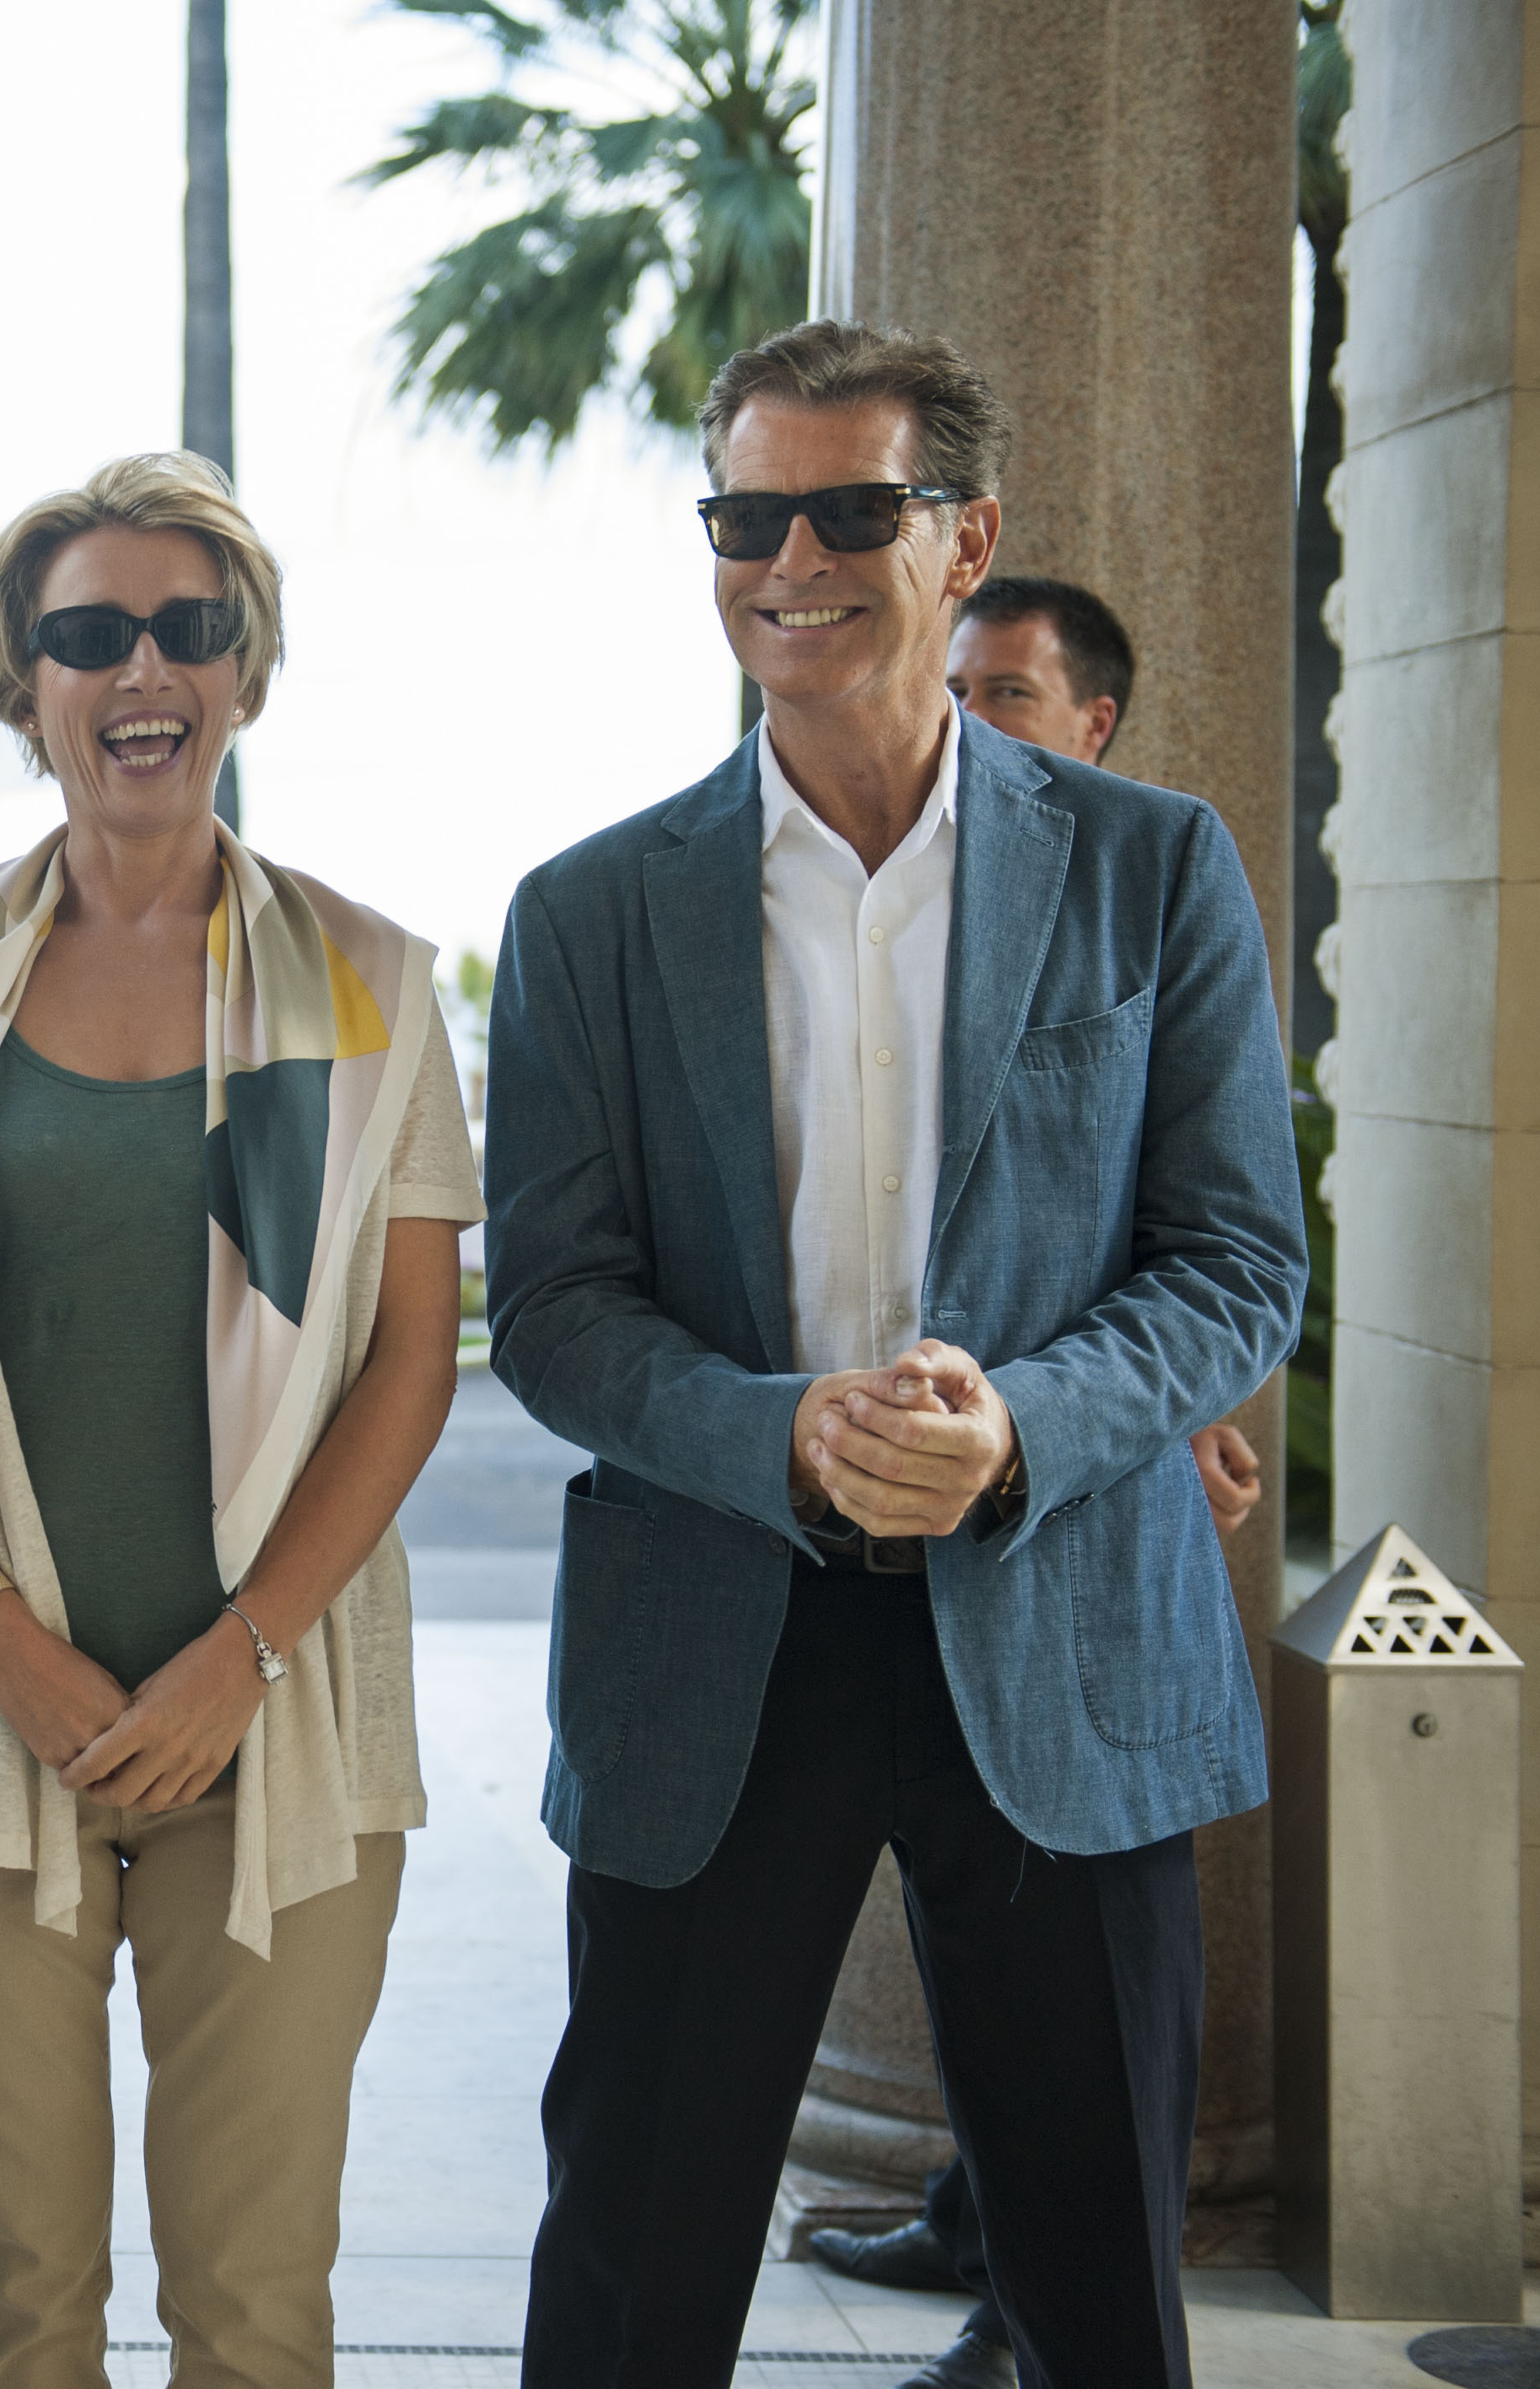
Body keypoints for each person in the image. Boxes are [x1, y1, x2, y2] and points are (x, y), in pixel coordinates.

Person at [485, 321, 1306, 2389]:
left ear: (966, 539)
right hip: (717, 1635)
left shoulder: (1152, 866)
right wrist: (784, 1434)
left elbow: (1232, 1264)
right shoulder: (589, 912)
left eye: (852, 508)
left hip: (1058, 1624)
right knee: (630, 2273)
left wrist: (1013, 1425)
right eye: (745, 516)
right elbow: (556, 1307)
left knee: (1097, 2288)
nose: (793, 560)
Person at [0, 452, 475, 2386]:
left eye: (189, 627)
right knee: (16, 2296)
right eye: (87, 635)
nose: (141, 668)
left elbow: (410, 1361)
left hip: (279, 1714)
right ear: (22, 689)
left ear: (246, 672)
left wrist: (237, 1657)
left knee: (254, 2308)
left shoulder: (371, 986)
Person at [803, 574, 1273, 2389]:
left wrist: (1083, 1423)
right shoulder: (839, 898)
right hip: (826, 1571)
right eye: (953, 684)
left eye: (1004, 693)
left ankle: (1021, 2298)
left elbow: (1218, 1237)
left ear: (1093, 724)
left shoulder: (1157, 873)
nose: (961, 719)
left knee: (1092, 2102)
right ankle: (973, 2233)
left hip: (1070, 1576)